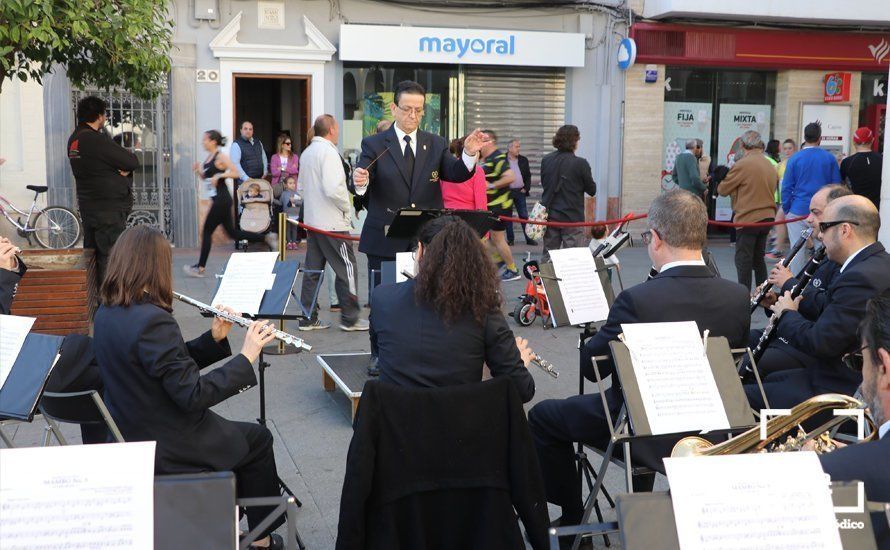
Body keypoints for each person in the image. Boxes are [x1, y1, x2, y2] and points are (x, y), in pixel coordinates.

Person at [527, 191, 749, 536]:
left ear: (657, 239)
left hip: (640, 424)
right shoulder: (736, 297)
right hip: (714, 425)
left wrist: (595, 337)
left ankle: (573, 519)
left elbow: (593, 369)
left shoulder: (638, 299)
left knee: (544, 417)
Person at [94, 226, 284, 549]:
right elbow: (192, 394)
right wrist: (246, 357)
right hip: (169, 441)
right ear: (154, 265)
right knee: (259, 440)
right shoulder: (154, 320)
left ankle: (222, 518)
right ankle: (261, 542)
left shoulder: (106, 314)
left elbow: (168, 366)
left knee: (242, 440)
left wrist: (215, 339)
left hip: (134, 430)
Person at [369, 215, 535, 403]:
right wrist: (519, 361)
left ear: (421, 251)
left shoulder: (382, 298)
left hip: (395, 425)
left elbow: (380, 354)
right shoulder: (484, 309)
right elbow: (522, 391)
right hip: (460, 427)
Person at [746, 195, 890, 410]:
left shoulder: (861, 276)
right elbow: (828, 309)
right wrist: (779, 303)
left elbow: (820, 342)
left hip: (840, 387)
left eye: (824, 227)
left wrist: (787, 314)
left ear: (845, 230)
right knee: (761, 379)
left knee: (743, 396)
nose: (820, 235)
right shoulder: (872, 264)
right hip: (833, 374)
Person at [351, 81, 487, 292]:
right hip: (385, 239)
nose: (413, 115)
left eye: (419, 110)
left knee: (428, 302)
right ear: (394, 108)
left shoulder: (436, 143)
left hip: (428, 240)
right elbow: (362, 177)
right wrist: (360, 182)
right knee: (384, 302)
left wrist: (469, 154)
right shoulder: (374, 144)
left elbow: (455, 173)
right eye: (407, 109)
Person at [0, 238, 107, 444]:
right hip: (8, 379)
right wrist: (4, 274)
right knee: (97, 366)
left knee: (95, 363)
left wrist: (10, 267)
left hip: (14, 361)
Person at [753, 185, 852, 377]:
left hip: (803, 346)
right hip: (786, 334)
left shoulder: (842, 262)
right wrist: (774, 300)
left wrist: (789, 282)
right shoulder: (822, 253)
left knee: (748, 366)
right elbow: (797, 299)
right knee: (730, 342)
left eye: (815, 213)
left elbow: (822, 307)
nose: (808, 220)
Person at [819, 290, 890, 546]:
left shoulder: (837, 474)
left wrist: (838, 465)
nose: (861, 375)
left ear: (884, 366)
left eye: (860, 360)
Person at [297, 115, 367, 332]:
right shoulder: (328, 152)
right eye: (336, 127)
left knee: (313, 270)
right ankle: (350, 318)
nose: (338, 131)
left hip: (313, 221)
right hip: (332, 223)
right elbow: (333, 189)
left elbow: (300, 188)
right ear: (331, 130)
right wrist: (347, 206)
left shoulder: (308, 152)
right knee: (347, 268)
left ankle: (308, 317)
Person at [67, 96, 140, 289]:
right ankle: (110, 302)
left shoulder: (74, 140)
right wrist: (123, 169)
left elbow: (96, 166)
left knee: (93, 256)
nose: (105, 118)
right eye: (104, 114)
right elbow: (131, 161)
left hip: (89, 207)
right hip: (108, 210)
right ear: (99, 116)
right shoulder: (94, 139)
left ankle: (96, 300)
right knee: (110, 257)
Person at [183, 130, 272, 278]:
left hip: (222, 200)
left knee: (206, 231)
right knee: (232, 233)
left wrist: (220, 175)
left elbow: (236, 172)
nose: (203, 142)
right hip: (219, 200)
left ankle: (200, 267)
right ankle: (266, 238)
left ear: (213, 141)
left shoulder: (220, 156)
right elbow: (207, 177)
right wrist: (199, 171)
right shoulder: (209, 157)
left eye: (205, 140)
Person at [717, 130, 778, 290]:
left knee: (743, 259)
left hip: (748, 218)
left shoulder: (743, 164)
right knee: (758, 259)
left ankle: (744, 294)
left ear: (743, 145)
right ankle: (762, 292)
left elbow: (723, 190)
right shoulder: (769, 164)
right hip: (767, 217)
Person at [781, 122, 842, 275]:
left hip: (798, 209)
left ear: (804, 137)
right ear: (820, 138)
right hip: (823, 212)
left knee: (796, 251)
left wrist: (787, 208)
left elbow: (787, 187)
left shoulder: (795, 159)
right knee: (822, 249)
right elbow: (836, 188)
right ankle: (819, 282)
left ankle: (794, 286)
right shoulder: (829, 158)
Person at [539, 125, 597, 261]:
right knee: (572, 259)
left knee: (549, 257)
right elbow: (592, 190)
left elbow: (545, 183)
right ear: (575, 141)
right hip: (572, 219)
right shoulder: (581, 164)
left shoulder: (546, 160)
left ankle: (547, 282)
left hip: (550, 216)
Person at [479, 131, 520, 281]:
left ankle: (512, 269)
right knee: (486, 239)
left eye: (482, 140)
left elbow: (510, 176)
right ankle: (498, 259)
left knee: (497, 239)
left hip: (499, 206)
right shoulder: (487, 158)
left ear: (489, 141)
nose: (479, 143)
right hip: (490, 206)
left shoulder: (498, 157)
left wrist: (491, 185)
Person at [440, 137, 487, 211]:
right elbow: (480, 201)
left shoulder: (447, 166)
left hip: (445, 214)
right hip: (468, 216)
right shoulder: (478, 170)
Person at [841, 127, 882, 209]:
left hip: (856, 208)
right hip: (878, 208)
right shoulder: (882, 160)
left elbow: (841, 184)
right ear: (872, 140)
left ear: (854, 142)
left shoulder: (847, 162)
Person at [505, 139, 536, 246]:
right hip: (507, 192)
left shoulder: (523, 160)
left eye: (519, 146)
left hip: (520, 192)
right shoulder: (502, 160)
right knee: (508, 217)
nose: (519, 149)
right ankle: (510, 239)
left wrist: (526, 188)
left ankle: (529, 239)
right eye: (516, 146)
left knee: (523, 215)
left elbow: (528, 176)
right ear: (509, 148)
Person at [280, 176, 301, 249]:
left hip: (295, 214)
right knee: (288, 229)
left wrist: (294, 201)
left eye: (294, 183)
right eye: (290, 183)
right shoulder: (284, 194)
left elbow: (301, 202)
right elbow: (280, 203)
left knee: (294, 229)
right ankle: (289, 242)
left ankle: (294, 242)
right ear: (286, 185)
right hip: (287, 214)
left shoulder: (297, 193)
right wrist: (273, 200)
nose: (293, 185)